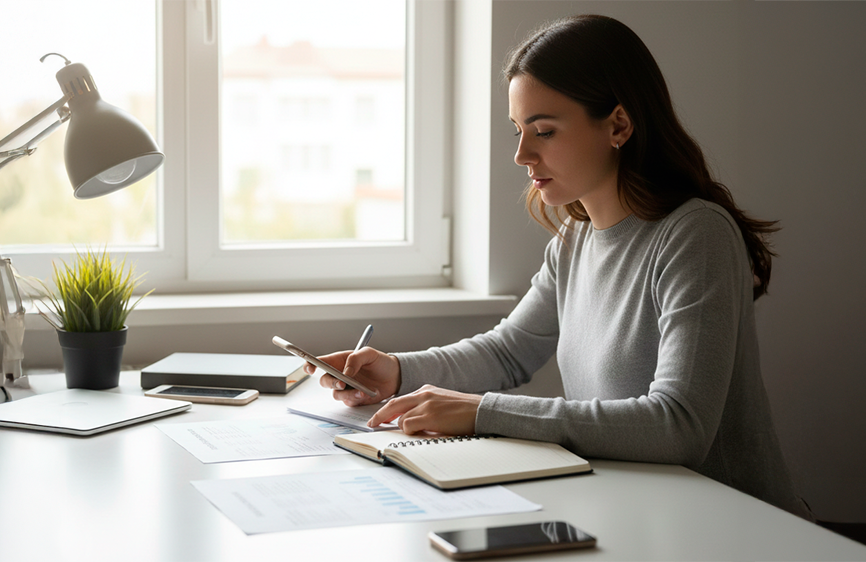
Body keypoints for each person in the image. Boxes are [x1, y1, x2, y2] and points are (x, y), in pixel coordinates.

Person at [307, 14, 809, 518]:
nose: (522, 154)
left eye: (543, 131)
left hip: (730, 525)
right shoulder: (575, 238)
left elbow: (678, 426)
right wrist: (396, 371)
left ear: (618, 124)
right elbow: (508, 352)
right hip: (634, 512)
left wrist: (484, 413)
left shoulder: (695, 236)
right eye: (518, 130)